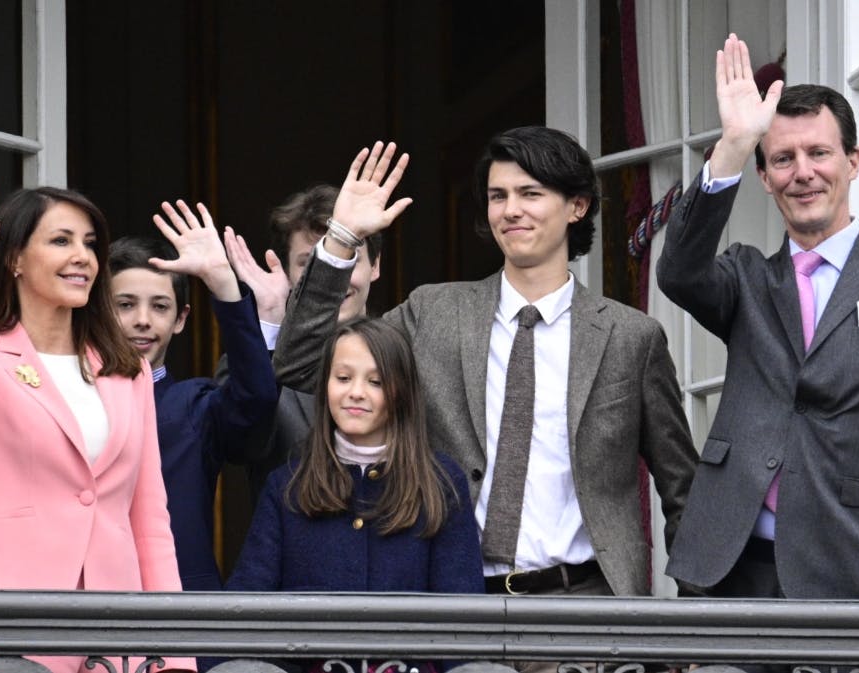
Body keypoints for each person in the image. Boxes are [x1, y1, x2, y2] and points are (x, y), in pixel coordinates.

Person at [272, 131, 698, 606]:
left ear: (577, 206)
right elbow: (301, 364)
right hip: (451, 602)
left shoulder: (630, 338)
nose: (510, 209)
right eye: (498, 196)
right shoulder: (433, 313)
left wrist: (697, 624)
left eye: (530, 193)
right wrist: (343, 240)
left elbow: (684, 490)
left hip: (586, 605)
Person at [658, 34, 859, 607]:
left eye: (819, 153)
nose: (801, 172)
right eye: (782, 159)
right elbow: (679, 272)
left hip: (857, 573)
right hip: (731, 573)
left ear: (852, 162)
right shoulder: (747, 280)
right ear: (763, 177)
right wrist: (734, 146)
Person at [0, 176, 193, 673]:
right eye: (61, 240)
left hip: (116, 622)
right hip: (11, 616)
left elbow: (149, 518)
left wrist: (175, 654)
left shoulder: (125, 367)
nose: (83, 257)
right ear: (15, 259)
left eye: (90, 244)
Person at [227, 317, 483, 672]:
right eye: (343, 378)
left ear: (402, 392)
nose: (356, 392)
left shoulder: (440, 481)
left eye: (375, 381)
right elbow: (245, 611)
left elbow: (464, 621)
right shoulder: (287, 484)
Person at [108, 198, 276, 594]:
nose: (143, 320)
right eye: (125, 305)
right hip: (92, 607)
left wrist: (223, 285)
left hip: (183, 610)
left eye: (160, 306)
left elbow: (256, 401)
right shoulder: (72, 400)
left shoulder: (194, 405)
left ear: (180, 319)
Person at [215, 185, 382, 504]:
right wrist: (269, 322)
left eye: (350, 259)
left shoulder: (406, 350)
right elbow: (237, 444)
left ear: (375, 266)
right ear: (287, 272)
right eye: (311, 262)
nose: (335, 276)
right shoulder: (255, 360)